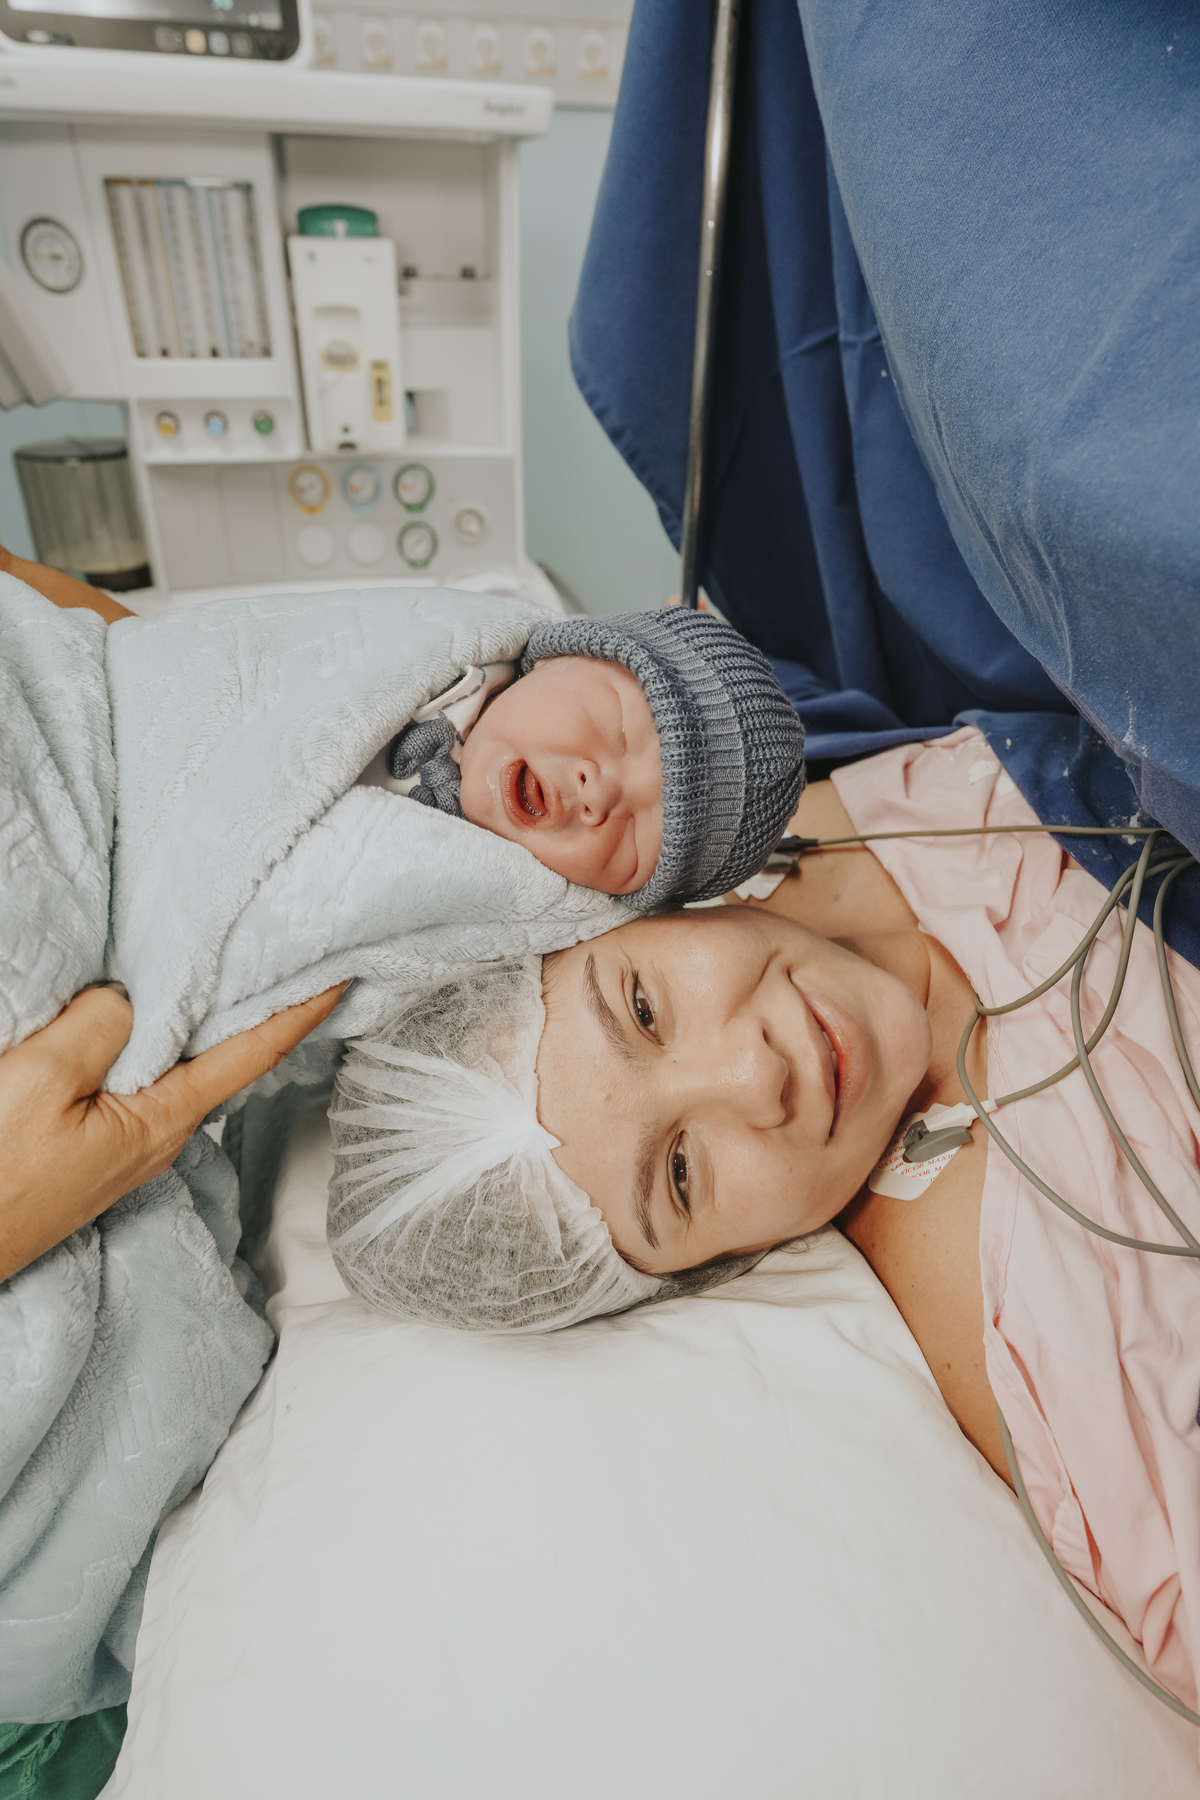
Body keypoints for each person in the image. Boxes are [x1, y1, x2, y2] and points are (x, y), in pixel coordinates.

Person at [327, 727, 1200, 1716]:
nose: (755, 1072)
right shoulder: (1049, 1331)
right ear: (711, 1268)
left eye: (645, 1008)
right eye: (682, 1175)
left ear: (618, 912)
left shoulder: (765, 788)